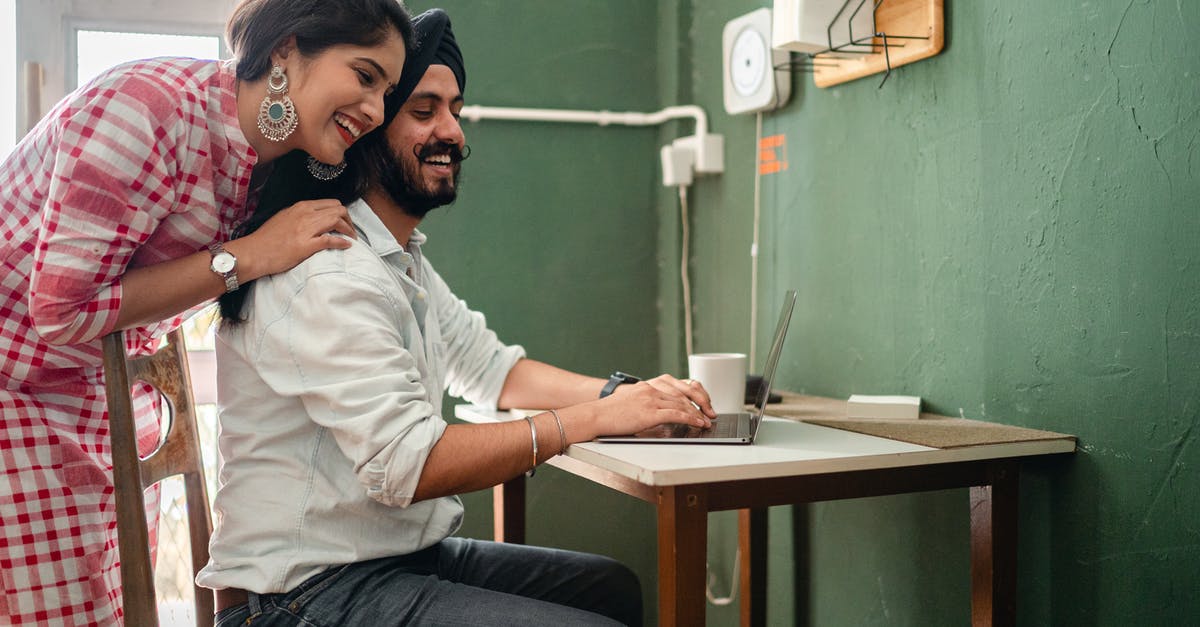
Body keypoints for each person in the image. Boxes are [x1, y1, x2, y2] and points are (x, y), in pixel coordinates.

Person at [197, 9, 716, 627]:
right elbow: (409, 463)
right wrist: (597, 418)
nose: (452, 132)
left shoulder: (396, 259)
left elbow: (491, 369)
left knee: (611, 588)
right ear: (367, 127)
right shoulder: (332, 267)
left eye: (456, 109)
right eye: (423, 111)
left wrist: (631, 397)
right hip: (296, 595)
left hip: (390, 558)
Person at [0, 1, 413, 624]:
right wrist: (245, 257)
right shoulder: (144, 108)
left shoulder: (271, 167)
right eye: (364, 75)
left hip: (95, 396)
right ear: (286, 49)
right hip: (15, 392)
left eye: (387, 91)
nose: (377, 110)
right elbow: (60, 311)